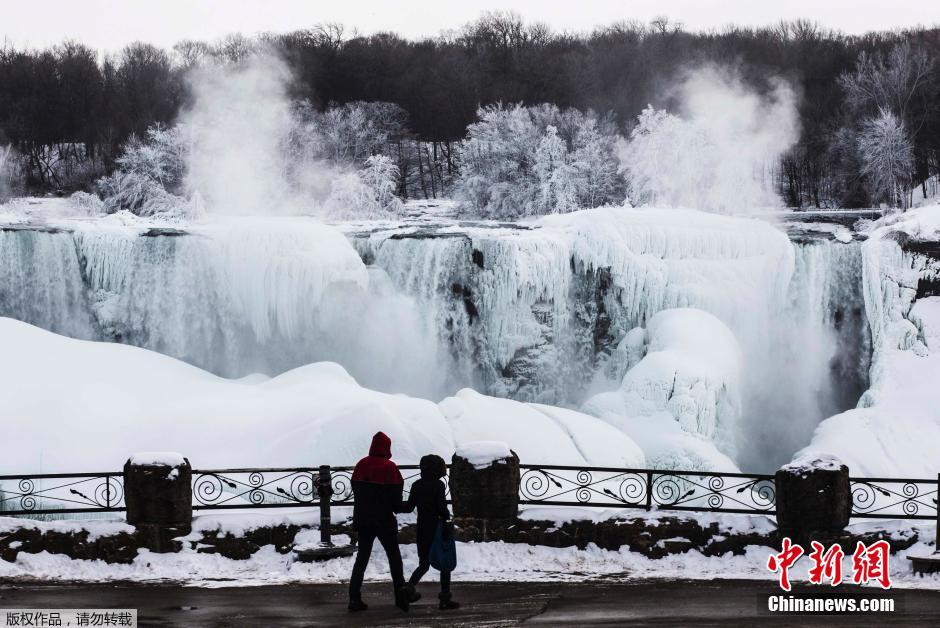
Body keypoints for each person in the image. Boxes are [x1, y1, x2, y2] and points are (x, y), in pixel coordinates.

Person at [348, 431, 410, 612]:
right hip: (384, 520)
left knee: (362, 559)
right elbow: (396, 502)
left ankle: (354, 598)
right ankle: (401, 598)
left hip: (364, 519)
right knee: (394, 558)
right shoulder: (390, 468)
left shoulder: (361, 465)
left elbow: (356, 491)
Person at [400, 454, 460, 610]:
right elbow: (441, 508)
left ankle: (408, 589)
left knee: (424, 564)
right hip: (437, 528)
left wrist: (392, 503)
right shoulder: (438, 485)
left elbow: (408, 508)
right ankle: (445, 599)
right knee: (444, 563)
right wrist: (448, 519)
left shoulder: (416, 485)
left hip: (422, 528)